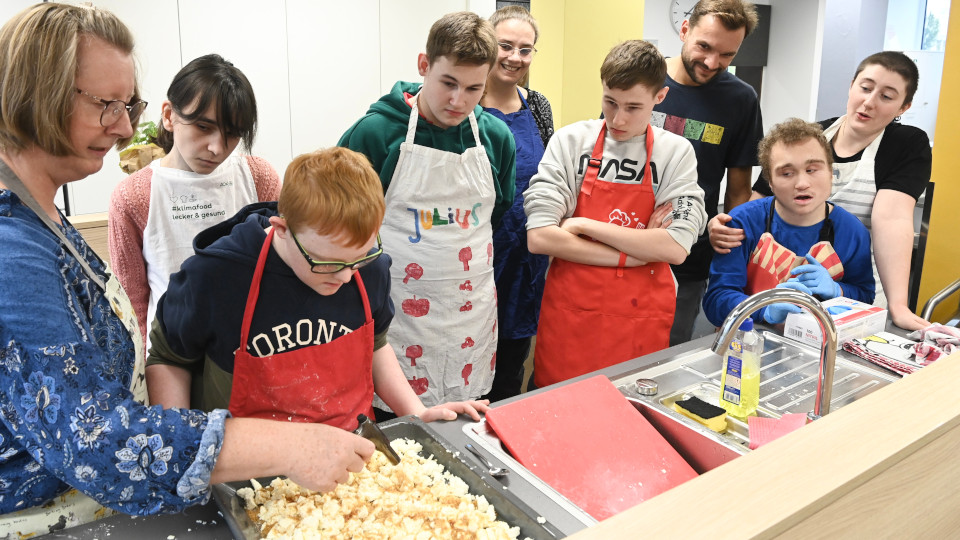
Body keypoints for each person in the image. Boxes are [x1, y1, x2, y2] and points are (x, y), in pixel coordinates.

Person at [0, 4, 375, 534]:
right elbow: (94, 439)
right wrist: (294, 444)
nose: (126, 126)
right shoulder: (12, 251)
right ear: (33, 95)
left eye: (129, 104)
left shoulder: (43, 217)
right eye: (106, 104)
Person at [146, 147, 489, 426]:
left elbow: (376, 345)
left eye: (358, 258)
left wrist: (416, 413)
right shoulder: (216, 275)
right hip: (247, 467)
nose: (344, 277)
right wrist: (182, 447)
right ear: (282, 228)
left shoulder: (371, 268)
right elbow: (169, 358)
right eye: (326, 262)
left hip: (347, 448)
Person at [338, 12, 516, 415]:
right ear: (424, 66)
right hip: (397, 316)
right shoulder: (376, 133)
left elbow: (497, 211)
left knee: (467, 422)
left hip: (468, 315)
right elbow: (338, 222)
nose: (458, 101)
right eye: (448, 83)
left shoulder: (495, 137)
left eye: (474, 88)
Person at [523, 40, 707, 388]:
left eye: (633, 107)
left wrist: (582, 224)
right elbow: (540, 237)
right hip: (571, 321)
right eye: (610, 102)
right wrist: (636, 255)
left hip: (639, 321)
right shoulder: (569, 141)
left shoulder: (675, 154)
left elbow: (674, 248)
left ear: (660, 97)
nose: (618, 118)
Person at [710, 51, 932, 331]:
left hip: (848, 298)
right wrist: (729, 225)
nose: (869, 102)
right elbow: (759, 207)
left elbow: (890, 218)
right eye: (865, 88)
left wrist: (897, 305)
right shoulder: (814, 136)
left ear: (904, 106)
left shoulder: (905, 145)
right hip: (765, 308)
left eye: (887, 97)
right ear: (851, 85)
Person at [109, 54, 281, 349]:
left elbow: (282, 268)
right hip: (172, 355)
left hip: (253, 349)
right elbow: (132, 303)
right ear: (169, 116)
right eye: (203, 127)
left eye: (232, 134)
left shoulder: (258, 177)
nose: (216, 147)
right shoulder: (134, 196)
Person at [652, 0, 764, 345]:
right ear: (685, 30)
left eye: (727, 55)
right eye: (704, 46)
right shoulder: (645, 77)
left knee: (665, 355)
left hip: (688, 256)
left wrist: (730, 266)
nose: (712, 63)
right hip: (622, 244)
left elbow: (738, 190)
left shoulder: (741, 99)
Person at [703, 118, 875, 327]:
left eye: (812, 170)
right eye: (786, 173)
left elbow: (865, 296)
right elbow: (715, 301)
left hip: (817, 346)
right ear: (770, 182)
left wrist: (837, 290)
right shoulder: (742, 223)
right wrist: (765, 308)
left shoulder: (852, 232)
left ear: (831, 173)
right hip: (747, 344)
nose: (802, 183)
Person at [478, 6, 553, 402]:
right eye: (505, 46)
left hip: (526, 257)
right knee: (469, 363)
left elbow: (552, 179)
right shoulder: (466, 107)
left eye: (525, 50)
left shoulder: (537, 107)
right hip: (475, 257)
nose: (514, 57)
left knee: (511, 366)